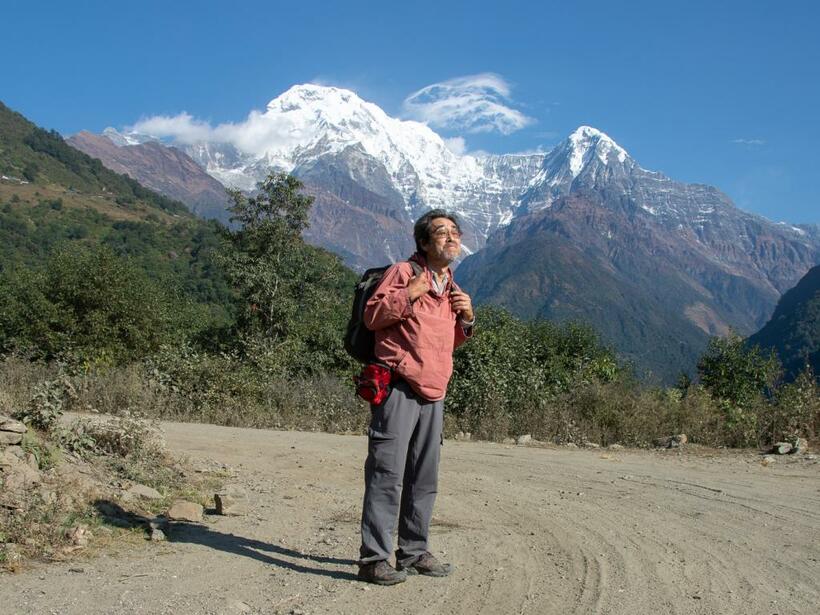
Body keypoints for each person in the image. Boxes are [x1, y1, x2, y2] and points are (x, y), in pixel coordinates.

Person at [357, 209, 475, 586]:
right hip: (398, 387)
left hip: (434, 392)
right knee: (386, 475)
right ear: (424, 242)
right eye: (442, 233)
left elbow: (445, 341)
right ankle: (374, 559)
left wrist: (467, 320)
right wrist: (409, 294)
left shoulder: (451, 286)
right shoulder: (404, 273)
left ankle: (414, 551)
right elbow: (372, 316)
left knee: (424, 479)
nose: (451, 238)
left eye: (455, 232)